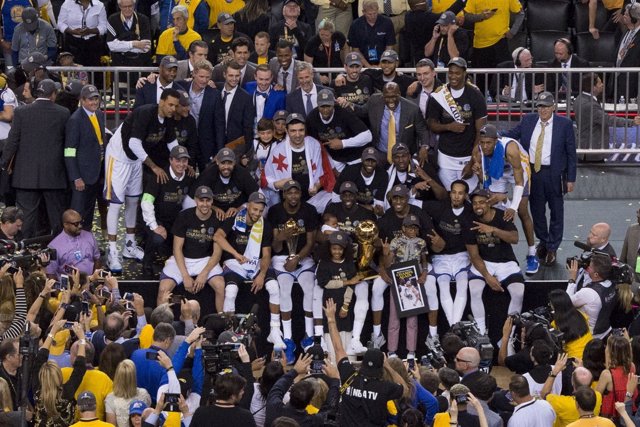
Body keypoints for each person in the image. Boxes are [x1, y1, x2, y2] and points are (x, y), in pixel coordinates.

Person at [104, 88, 181, 273]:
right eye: (170, 105)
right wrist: (154, 167)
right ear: (161, 102)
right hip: (119, 157)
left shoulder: (168, 120)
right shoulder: (145, 112)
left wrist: (182, 161)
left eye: (175, 106)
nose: (173, 109)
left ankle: (129, 245)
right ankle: (112, 249)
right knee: (115, 204)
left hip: (136, 160)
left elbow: (173, 144)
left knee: (133, 201)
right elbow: (133, 143)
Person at [502, 91, 577, 266]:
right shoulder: (528, 120)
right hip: (532, 173)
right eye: (540, 106)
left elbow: (571, 153)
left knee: (557, 211)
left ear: (553, 107)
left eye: (546, 106)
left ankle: (553, 247)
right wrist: (494, 134)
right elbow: (513, 133)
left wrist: (571, 178)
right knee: (537, 211)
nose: (542, 110)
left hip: (555, 173)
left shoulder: (564, 124)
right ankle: (543, 242)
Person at [214, 191, 286, 349]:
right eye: (254, 209)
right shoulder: (234, 219)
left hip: (255, 263)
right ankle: (229, 333)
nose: (257, 213)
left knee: (273, 287)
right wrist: (235, 253)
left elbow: (266, 254)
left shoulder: (265, 224)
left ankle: (275, 331)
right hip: (235, 262)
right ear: (247, 206)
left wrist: (262, 274)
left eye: (260, 211)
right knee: (231, 290)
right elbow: (218, 237)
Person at [1, 79, 69, 238]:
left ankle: (24, 251)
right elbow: (67, 143)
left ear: (37, 93)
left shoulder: (22, 112)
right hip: (53, 175)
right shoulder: (63, 113)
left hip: (26, 176)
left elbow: (12, 141)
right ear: (53, 94)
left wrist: (4, 164)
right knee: (56, 216)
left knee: (26, 218)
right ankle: (59, 250)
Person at [323, 298, 408, 426]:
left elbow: (338, 348)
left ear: (362, 363)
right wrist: (388, 367)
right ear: (381, 367)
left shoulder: (349, 375)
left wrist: (331, 319)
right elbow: (405, 389)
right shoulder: (385, 387)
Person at [472, 123, 538, 274]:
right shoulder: (478, 151)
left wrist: (512, 207)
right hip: (499, 172)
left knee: (521, 211)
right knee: (493, 203)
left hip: (518, 170)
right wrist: (477, 171)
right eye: (482, 142)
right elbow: (484, 179)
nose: (485, 146)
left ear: (496, 141)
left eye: (488, 142)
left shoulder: (511, 150)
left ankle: (532, 254)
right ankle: (494, 250)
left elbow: (520, 182)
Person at [267, 179, 318, 361]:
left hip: (303, 257)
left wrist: (297, 258)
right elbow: (275, 246)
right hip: (281, 258)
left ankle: (309, 336)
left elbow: (311, 243)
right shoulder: (275, 211)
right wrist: (281, 236)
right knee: (284, 287)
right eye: (290, 192)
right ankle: (288, 339)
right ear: (284, 194)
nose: (293, 196)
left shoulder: (309, 211)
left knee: (309, 288)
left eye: (296, 192)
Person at [465, 189, 524, 335]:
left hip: (506, 262)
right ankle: (481, 331)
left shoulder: (502, 215)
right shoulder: (469, 220)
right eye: (474, 203)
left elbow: (515, 239)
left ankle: (509, 332)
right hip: (484, 262)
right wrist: (487, 276)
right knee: (474, 289)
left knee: (518, 292)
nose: (478, 206)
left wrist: (492, 230)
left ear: (489, 203)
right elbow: (474, 255)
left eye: (481, 202)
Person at [156, 185, 224, 306]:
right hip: (183, 259)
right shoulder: (184, 216)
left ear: (212, 201)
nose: (205, 204)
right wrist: (185, 275)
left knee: (220, 286)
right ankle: (162, 323)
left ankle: (223, 321)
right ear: (195, 200)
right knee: (163, 290)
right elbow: (177, 248)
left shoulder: (217, 218)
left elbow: (217, 253)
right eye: (201, 200)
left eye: (208, 200)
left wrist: (204, 274)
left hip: (205, 260)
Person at [427, 57, 486, 191]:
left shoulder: (476, 95)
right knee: (450, 196)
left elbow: (481, 131)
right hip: (446, 156)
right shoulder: (439, 95)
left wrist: (472, 161)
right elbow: (431, 124)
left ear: (465, 73)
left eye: (457, 73)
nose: (453, 76)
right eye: (451, 73)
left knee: (469, 197)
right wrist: (448, 127)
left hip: (468, 155)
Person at [423, 179, 474, 329]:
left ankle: (454, 327)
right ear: (449, 193)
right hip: (441, 257)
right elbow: (414, 205)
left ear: (466, 195)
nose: (456, 196)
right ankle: (455, 326)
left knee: (463, 285)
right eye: (454, 193)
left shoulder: (471, 211)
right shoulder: (440, 207)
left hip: (462, 255)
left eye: (460, 193)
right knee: (443, 286)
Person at [378, 214, 429, 359]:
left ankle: (411, 352)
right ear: (403, 228)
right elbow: (388, 264)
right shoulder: (395, 242)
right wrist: (386, 253)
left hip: (413, 279)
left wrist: (424, 273)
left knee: (412, 318)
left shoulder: (421, 242)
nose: (412, 230)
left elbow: (424, 260)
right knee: (394, 316)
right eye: (409, 227)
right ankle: (392, 351)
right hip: (398, 278)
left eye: (415, 227)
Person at [262, 112, 334, 213]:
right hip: (287, 202)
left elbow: (324, 172)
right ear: (286, 130)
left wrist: (317, 186)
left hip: (313, 199)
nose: (297, 135)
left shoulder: (314, 145)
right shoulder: (278, 150)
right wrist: (278, 184)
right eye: (293, 131)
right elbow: (265, 178)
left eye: (301, 130)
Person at [140, 145, 195, 276]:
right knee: (157, 238)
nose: (181, 164)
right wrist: (155, 226)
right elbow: (146, 202)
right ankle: (147, 263)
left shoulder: (189, 176)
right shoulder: (159, 175)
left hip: (175, 219)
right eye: (178, 160)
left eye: (184, 161)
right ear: (171, 160)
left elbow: (190, 200)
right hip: (157, 218)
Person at [352, 81, 428, 165]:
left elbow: (422, 130)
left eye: (394, 97)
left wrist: (424, 146)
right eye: (387, 97)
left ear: (399, 94)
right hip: (380, 152)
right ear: (382, 95)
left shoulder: (412, 109)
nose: (391, 100)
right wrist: (349, 105)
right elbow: (362, 111)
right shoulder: (374, 100)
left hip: (403, 156)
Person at [64, 84, 106, 230]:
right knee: (77, 213)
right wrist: (76, 177)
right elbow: (69, 151)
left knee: (89, 213)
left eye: (96, 99)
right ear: (82, 100)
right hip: (81, 177)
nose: (94, 102)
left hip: (96, 173)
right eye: (90, 100)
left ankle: (86, 243)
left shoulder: (99, 114)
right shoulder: (75, 120)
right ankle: (73, 245)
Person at [573, 73, 640, 162]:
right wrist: (632, 122)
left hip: (587, 148)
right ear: (593, 88)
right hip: (591, 151)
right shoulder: (589, 105)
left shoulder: (580, 98)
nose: (602, 85)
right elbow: (608, 120)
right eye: (600, 83)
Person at [33, 320, 88, 427]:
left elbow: (39, 359)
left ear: (41, 376)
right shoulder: (66, 392)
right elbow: (80, 368)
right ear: (59, 375)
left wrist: (52, 332)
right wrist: (82, 339)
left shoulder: (37, 391)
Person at [463, 0, 524, 95]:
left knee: (504, 81)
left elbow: (521, 13)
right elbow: (466, 16)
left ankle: (504, 106)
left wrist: (513, 31)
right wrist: (482, 16)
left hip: (500, 43)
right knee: (480, 84)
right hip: (480, 45)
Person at [175, 58, 225, 171]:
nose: (204, 80)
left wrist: (219, 150)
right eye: (201, 77)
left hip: (207, 145)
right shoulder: (180, 87)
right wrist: (149, 77)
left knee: (207, 177)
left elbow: (219, 124)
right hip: (184, 142)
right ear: (193, 74)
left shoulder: (215, 95)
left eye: (207, 77)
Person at [305, 88, 372, 172]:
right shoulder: (312, 118)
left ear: (333, 104)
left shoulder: (344, 111)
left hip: (355, 155)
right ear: (317, 105)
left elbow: (368, 135)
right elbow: (313, 143)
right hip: (334, 158)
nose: (325, 110)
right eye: (322, 106)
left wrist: (343, 143)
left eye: (328, 106)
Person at [265, 354, 340, 426]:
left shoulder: (274, 408)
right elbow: (330, 408)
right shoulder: (313, 422)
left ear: (290, 393)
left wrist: (295, 371)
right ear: (309, 402)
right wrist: (335, 380)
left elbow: (277, 387)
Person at [541, 356, 604, 427]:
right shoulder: (597, 396)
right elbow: (587, 384)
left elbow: (544, 394)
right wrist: (582, 369)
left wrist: (555, 371)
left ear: (572, 382)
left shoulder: (563, 403)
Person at [567, 253, 616, 339]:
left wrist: (572, 278)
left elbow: (566, 302)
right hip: (606, 331)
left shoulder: (588, 292)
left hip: (591, 336)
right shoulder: (611, 284)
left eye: (589, 267)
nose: (587, 267)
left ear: (596, 274)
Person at [331, 147, 388, 215]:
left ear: (377, 162)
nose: (370, 163)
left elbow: (379, 201)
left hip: (370, 211)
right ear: (362, 160)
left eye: (373, 161)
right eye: (367, 160)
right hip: (349, 207)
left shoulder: (383, 175)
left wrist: (376, 209)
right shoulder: (349, 171)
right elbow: (336, 195)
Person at [46, 209, 101, 277]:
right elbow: (51, 273)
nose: (80, 226)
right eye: (76, 224)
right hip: (68, 286)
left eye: (81, 222)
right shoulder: (54, 246)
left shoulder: (89, 236)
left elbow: (97, 259)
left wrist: (95, 279)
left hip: (91, 281)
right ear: (66, 225)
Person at [129, 323, 175, 403]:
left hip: (133, 405)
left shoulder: (135, 354)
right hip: (156, 407)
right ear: (167, 341)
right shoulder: (167, 363)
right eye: (171, 342)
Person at [190, 373, 257, 426]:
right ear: (232, 396)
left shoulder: (201, 413)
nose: (243, 392)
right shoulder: (245, 417)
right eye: (241, 390)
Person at [596, 335, 638, 419]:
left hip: (612, 416)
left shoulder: (606, 374)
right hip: (628, 412)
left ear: (610, 352)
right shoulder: (632, 366)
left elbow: (596, 396)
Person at [57, 0, 107, 68]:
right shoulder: (67, 3)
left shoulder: (99, 5)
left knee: (93, 71)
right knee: (74, 72)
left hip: (93, 44)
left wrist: (90, 31)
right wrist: (72, 31)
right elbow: (60, 23)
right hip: (72, 43)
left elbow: (104, 26)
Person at [104, 360, 152, 427]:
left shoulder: (110, 399)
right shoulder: (143, 394)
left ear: (117, 376)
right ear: (134, 377)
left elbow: (111, 425)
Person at [347, 0, 395, 67]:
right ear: (363, 12)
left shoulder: (387, 22)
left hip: (384, 63)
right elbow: (355, 50)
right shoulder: (355, 25)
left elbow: (389, 47)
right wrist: (368, 67)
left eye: (375, 13)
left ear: (378, 10)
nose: (373, 16)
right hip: (363, 64)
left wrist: (380, 66)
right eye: (369, 14)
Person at [106, 0, 152, 68]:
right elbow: (111, 45)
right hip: (119, 65)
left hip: (139, 65)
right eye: (124, 7)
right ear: (119, 6)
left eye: (130, 6)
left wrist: (121, 45)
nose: (127, 9)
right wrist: (134, 44)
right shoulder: (112, 19)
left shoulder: (144, 19)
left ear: (134, 5)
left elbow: (146, 47)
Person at [219, 60, 255, 148]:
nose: (234, 79)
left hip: (235, 145)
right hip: (215, 143)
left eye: (237, 76)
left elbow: (248, 127)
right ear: (224, 75)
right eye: (231, 75)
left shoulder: (246, 98)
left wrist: (246, 150)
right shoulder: (216, 89)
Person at [548, 289, 592, 360]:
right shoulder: (581, 314)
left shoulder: (556, 324)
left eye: (550, 304)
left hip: (575, 358)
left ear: (556, 306)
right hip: (590, 353)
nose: (550, 305)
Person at [303, 18, 346, 84]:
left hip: (337, 73)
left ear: (332, 33)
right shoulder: (312, 42)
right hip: (320, 75)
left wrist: (345, 67)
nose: (324, 37)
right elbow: (308, 65)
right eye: (322, 34)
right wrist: (318, 77)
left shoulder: (339, 37)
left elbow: (345, 49)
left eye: (327, 35)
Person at [613, 3, 640, 101]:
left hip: (634, 83)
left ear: (635, 18)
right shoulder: (626, 32)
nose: (623, 16)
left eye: (627, 14)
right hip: (619, 81)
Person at [620, 207, 640, 281]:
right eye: (637, 215)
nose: (637, 217)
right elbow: (624, 253)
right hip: (632, 276)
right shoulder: (632, 229)